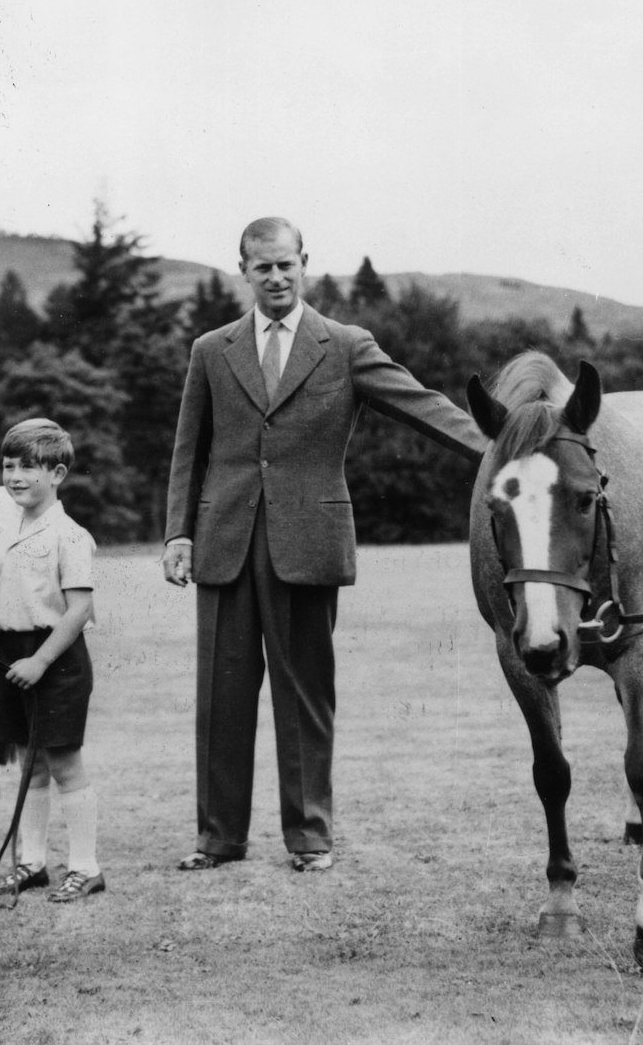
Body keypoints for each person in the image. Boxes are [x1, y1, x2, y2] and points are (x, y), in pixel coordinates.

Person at [162, 217, 487, 873]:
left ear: (305, 262)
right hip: (225, 540)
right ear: (244, 271)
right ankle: (218, 838)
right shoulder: (210, 349)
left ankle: (310, 837)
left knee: (304, 692)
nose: (276, 277)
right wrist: (177, 532)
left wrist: (505, 450)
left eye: (287, 265)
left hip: (308, 544)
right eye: (263, 267)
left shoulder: (344, 345)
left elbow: (423, 404)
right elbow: (187, 450)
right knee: (220, 696)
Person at [0, 418, 103, 902]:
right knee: (31, 768)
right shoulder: (13, 533)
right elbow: (11, 606)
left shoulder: (71, 535)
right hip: (15, 657)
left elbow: (78, 609)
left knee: (64, 765)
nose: (15, 476)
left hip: (55, 661)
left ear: (58, 474)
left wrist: (40, 662)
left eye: (28, 467)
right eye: (8, 466)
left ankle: (87, 867)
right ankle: (32, 863)